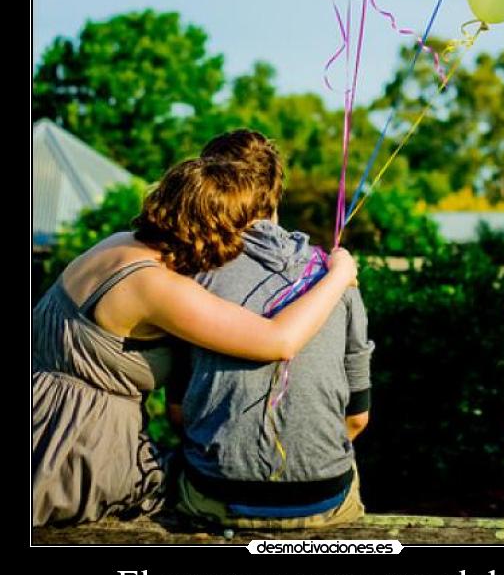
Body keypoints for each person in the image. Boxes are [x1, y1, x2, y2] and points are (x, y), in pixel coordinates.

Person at [32, 156, 357, 527]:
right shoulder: (153, 286)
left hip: (41, 421)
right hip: (80, 452)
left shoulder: (118, 245)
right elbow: (278, 340)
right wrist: (339, 275)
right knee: (204, 488)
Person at [173, 130, 373, 530]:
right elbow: (357, 420)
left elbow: (178, 413)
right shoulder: (338, 278)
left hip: (217, 498)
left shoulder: (193, 278)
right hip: (324, 500)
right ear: (276, 192)